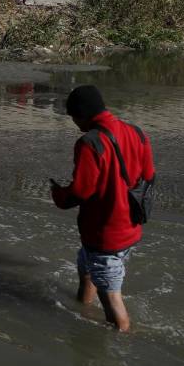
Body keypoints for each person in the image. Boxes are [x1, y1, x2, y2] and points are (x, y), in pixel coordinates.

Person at [50, 85, 155, 333]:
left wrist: (58, 194)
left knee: (112, 298)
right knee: (87, 268)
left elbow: (80, 192)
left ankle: (119, 349)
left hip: (105, 233)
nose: (75, 124)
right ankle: (83, 310)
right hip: (130, 226)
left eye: (74, 118)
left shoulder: (89, 143)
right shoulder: (137, 133)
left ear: (83, 115)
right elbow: (149, 175)